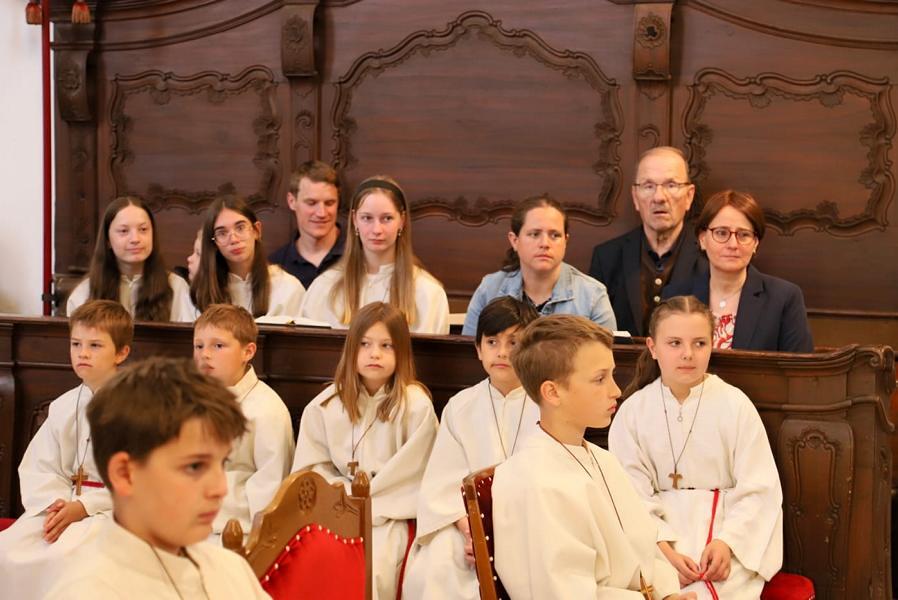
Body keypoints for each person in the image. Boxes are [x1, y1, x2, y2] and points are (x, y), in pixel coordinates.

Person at [492, 314, 689, 599]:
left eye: (611, 375)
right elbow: (564, 592)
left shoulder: (601, 458)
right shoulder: (536, 482)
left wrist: (667, 594)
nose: (616, 390)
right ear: (552, 392)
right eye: (600, 379)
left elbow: (644, 548)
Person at [44, 357, 269, 599]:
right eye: (195, 466)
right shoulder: (87, 592)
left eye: (222, 463)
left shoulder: (230, 568)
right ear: (125, 474)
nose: (220, 488)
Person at [608, 295, 783, 599]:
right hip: (656, 540)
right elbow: (629, 496)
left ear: (712, 345)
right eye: (674, 343)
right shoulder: (633, 412)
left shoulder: (735, 405)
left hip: (725, 538)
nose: (688, 354)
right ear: (652, 347)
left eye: (699, 343)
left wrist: (728, 543)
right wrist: (663, 552)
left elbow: (759, 488)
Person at [292, 302, 438, 600]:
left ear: (401, 352)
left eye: (386, 345)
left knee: (376, 563)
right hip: (335, 510)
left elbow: (415, 474)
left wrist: (366, 503)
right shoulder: (325, 405)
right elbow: (310, 470)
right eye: (365, 344)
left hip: (390, 514)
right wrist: (343, 496)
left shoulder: (415, 406)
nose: (375, 354)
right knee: (313, 559)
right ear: (351, 349)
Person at [403, 297, 540, 599]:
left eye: (514, 342)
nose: (502, 352)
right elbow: (442, 483)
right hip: (467, 523)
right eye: (492, 342)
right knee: (436, 566)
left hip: (530, 524)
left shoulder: (546, 404)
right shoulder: (460, 406)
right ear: (478, 349)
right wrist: (473, 534)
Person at [0, 300, 132, 600]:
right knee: (8, 552)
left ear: (121, 353)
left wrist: (83, 507)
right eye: (76, 344)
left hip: (112, 512)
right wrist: (58, 505)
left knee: (73, 562)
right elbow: (40, 467)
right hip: (62, 505)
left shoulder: (140, 407)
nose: (82, 353)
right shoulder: (63, 405)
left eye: (95, 345)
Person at [663, 190, 814, 352]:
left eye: (743, 235)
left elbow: (799, 366)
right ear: (703, 239)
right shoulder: (675, 296)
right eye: (721, 233)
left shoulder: (784, 298)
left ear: (755, 243)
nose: (733, 244)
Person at [193, 304, 294, 538]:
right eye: (199, 346)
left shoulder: (267, 411)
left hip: (235, 532)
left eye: (218, 346)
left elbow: (270, 492)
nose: (205, 354)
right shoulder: (188, 399)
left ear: (248, 352)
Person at [300, 176, 450, 334]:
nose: (377, 230)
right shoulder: (324, 287)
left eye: (387, 218)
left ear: (402, 221)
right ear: (355, 220)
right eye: (367, 218)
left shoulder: (427, 293)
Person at [589, 147, 704, 336]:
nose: (659, 197)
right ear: (635, 196)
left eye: (671, 185)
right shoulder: (607, 257)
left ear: (689, 196)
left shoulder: (709, 257)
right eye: (648, 186)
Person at [463, 196, 616, 336]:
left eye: (555, 235)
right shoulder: (489, 289)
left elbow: (606, 356)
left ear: (565, 241)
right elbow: (468, 352)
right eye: (535, 234)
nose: (545, 244)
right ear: (515, 240)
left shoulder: (593, 295)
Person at [67, 196, 196, 322]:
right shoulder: (85, 292)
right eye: (124, 231)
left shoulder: (176, 287)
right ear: (107, 240)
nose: (135, 239)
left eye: (143, 229)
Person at [192, 195, 305, 318]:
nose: (234, 239)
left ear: (256, 231)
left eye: (240, 228)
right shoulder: (203, 292)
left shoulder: (287, 287)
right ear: (214, 243)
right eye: (222, 233)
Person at [268, 160, 346, 289]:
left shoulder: (360, 255)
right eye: (311, 203)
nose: (321, 213)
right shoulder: (276, 267)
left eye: (329, 203)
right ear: (292, 201)